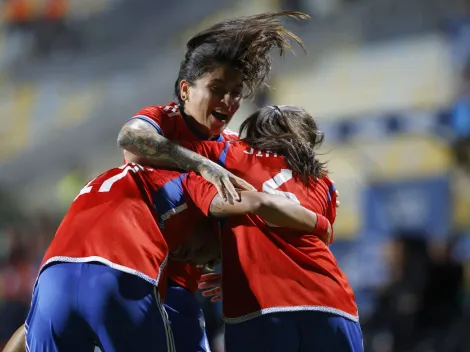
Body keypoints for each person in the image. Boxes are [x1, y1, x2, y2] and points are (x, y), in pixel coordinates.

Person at [118, 11, 310, 352]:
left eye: (236, 92)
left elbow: (273, 197)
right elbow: (130, 139)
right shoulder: (163, 120)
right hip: (133, 275)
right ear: (185, 89)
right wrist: (203, 166)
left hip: (180, 285)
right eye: (217, 89)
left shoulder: (232, 146)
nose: (229, 102)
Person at [21, 161, 331, 352]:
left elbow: (28, 330)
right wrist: (320, 223)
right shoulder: (192, 188)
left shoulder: (124, 184)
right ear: (211, 222)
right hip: (119, 276)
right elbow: (257, 202)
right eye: (206, 254)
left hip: (51, 281)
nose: (197, 262)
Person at [187, 105, 363, 352]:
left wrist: (247, 269)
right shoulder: (324, 182)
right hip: (333, 303)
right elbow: (304, 245)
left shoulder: (232, 153)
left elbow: (179, 141)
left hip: (262, 305)